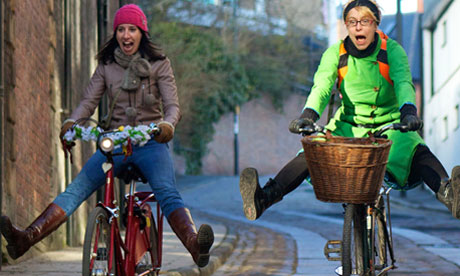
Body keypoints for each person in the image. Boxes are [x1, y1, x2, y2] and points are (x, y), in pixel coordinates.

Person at [0, 4, 214, 267]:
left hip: (151, 142)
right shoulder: (106, 66)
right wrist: (71, 122)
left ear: (141, 33)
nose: (126, 35)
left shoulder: (160, 64)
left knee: (167, 193)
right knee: (75, 190)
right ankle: (25, 239)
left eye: (132, 29)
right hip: (114, 143)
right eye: (121, 29)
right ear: (115, 33)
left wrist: (167, 125)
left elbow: (172, 107)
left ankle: (195, 246)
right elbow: (88, 102)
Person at [239, 0, 460, 221]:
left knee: (415, 150)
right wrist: (308, 116)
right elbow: (322, 87)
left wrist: (409, 112)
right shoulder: (335, 53)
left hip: (390, 124)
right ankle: (263, 198)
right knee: (312, 151)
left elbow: (403, 83)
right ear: (346, 25)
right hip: (348, 126)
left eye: (364, 21)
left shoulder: (392, 50)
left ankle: (449, 194)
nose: (358, 27)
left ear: (376, 25)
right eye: (352, 22)